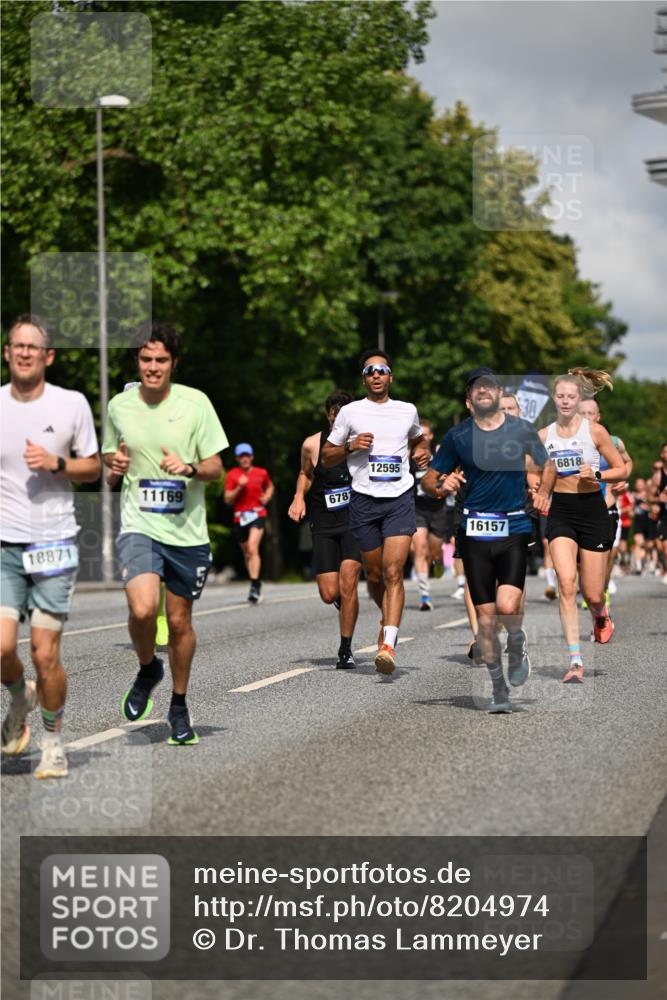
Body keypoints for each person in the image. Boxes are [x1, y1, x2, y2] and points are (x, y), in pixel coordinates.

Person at [103, 321, 228, 746]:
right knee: (141, 610)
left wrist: (189, 468)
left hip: (187, 534)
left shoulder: (196, 404)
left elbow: (216, 468)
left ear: (173, 363)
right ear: (136, 361)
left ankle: (178, 703)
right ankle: (146, 667)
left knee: (178, 622)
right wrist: (113, 468)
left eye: (160, 360)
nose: (152, 367)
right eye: (145, 359)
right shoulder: (119, 406)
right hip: (139, 524)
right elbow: (109, 468)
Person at [1, 314, 100, 778]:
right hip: (4, 544)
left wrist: (58, 462)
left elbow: (94, 468)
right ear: (7, 353)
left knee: (45, 654)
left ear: (48, 356)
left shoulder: (70, 404)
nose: (24, 353)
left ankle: (53, 743)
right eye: (17, 346)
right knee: (2, 648)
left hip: (54, 542)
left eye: (32, 347)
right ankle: (20, 697)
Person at [422, 368, 551, 713]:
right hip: (475, 530)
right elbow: (430, 479)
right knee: (487, 620)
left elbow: (546, 464)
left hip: (513, 526)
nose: (484, 394)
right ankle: (499, 689)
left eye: (490, 388)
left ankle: (518, 639)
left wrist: (544, 493)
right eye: (477, 390)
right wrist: (440, 486)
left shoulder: (521, 431)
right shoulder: (457, 437)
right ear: (470, 402)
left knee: (508, 607)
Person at [322, 350, 429, 674]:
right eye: (370, 371)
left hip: (399, 498)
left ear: (391, 376)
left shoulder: (406, 410)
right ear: (364, 378)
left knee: (394, 571)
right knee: (375, 574)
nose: (376, 375)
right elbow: (327, 456)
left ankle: (388, 644)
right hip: (364, 500)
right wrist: (350, 447)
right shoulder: (351, 413)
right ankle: (387, 612)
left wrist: (422, 451)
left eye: (382, 369)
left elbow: (419, 438)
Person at [535, 368, 625, 683]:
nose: (565, 401)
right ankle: (575, 660)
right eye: (560, 396)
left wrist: (597, 476)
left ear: (579, 398)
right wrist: (539, 489)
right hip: (561, 512)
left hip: (592, 511)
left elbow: (620, 470)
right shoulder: (544, 436)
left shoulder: (595, 432)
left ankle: (600, 614)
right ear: (554, 398)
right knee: (567, 583)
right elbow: (530, 471)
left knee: (592, 592)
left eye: (571, 396)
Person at [288, 390, 362, 668]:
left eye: (343, 411)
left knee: (349, 582)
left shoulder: (362, 443)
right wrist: (298, 497)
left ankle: (345, 649)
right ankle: (347, 606)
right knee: (329, 593)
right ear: (328, 415)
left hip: (355, 521)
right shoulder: (312, 444)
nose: (337, 416)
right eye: (333, 412)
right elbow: (305, 473)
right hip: (323, 521)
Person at [578, 397, 633, 604]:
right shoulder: (564, 440)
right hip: (576, 508)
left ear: (597, 417)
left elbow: (627, 462)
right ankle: (591, 590)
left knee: (606, 556)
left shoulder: (614, 442)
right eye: (581, 413)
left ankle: (601, 591)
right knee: (581, 560)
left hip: (605, 506)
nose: (585, 418)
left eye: (590, 414)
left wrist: (622, 479)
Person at [224, 444, 274, 604]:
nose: (244, 458)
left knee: (253, 548)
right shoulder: (232, 475)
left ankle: (254, 586)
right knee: (247, 554)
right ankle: (256, 582)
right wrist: (239, 486)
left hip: (257, 514)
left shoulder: (261, 473)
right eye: (241, 456)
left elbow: (270, 486)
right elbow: (227, 499)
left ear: (252, 457)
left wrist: (266, 496)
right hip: (240, 518)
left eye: (247, 455)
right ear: (237, 458)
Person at [410, 419, 452, 610]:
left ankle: (438, 562)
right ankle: (424, 596)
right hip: (417, 508)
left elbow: (452, 475)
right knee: (419, 549)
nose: (423, 438)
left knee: (435, 552)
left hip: (438, 508)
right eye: (420, 435)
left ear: (431, 436)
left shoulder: (440, 455)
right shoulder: (410, 456)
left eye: (426, 434)